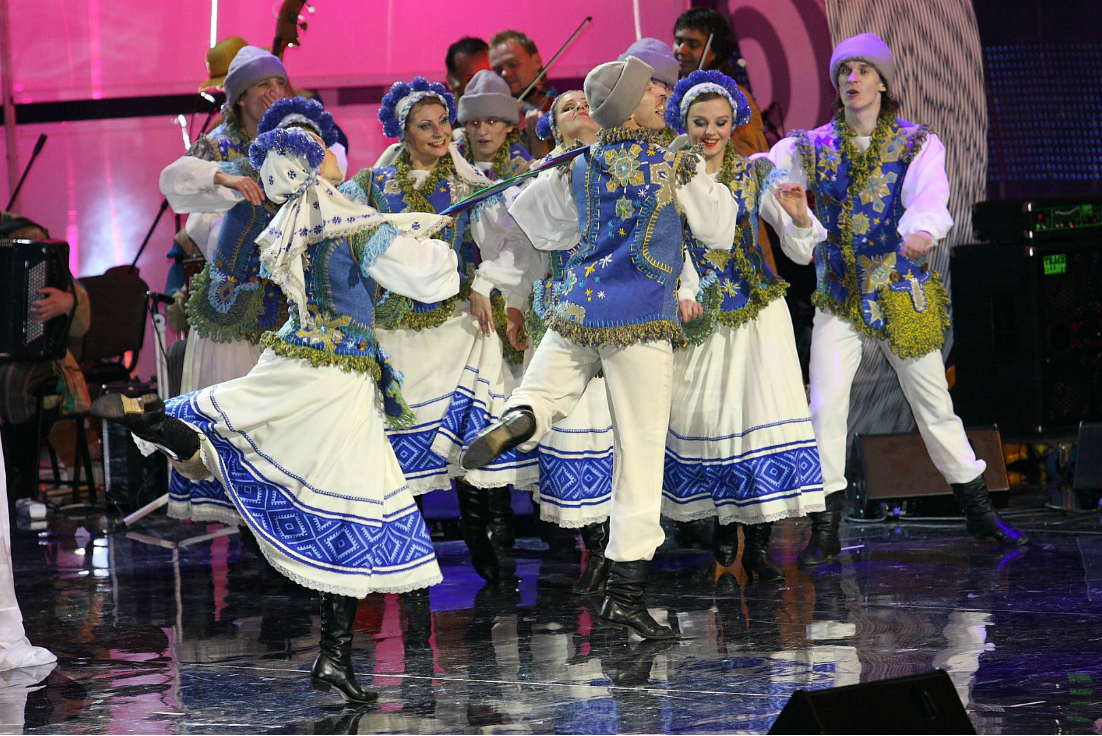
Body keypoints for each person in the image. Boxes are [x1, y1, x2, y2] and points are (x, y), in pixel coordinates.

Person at [93, 121, 460, 704]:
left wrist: (400, 226)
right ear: (313, 166)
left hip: (293, 354)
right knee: (355, 501)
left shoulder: (290, 220)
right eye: (324, 151)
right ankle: (333, 656)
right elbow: (429, 279)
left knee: (245, 422)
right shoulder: (351, 222)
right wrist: (436, 242)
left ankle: (166, 422)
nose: (337, 158)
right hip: (340, 374)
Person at [462, 57, 739, 639]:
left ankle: (521, 418)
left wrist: (563, 173)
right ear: (629, 109)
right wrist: (702, 179)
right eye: (651, 92)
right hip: (641, 316)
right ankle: (625, 593)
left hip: (580, 306)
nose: (661, 98)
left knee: (544, 390)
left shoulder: (580, 165)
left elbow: (542, 227)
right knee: (639, 454)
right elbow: (717, 229)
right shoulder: (675, 162)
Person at [768, 33, 1028, 564]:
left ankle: (979, 511)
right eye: (845, 71)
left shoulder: (916, 143)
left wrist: (923, 229)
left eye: (863, 70)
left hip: (898, 293)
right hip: (840, 295)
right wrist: (796, 216)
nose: (853, 79)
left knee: (933, 402)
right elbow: (771, 177)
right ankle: (825, 526)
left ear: (883, 83)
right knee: (825, 406)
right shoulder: (811, 145)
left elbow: (929, 194)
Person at [340, 77, 537, 585]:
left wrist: (485, 282)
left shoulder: (471, 184)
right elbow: (338, 229)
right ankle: (412, 551)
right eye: (424, 126)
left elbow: (507, 241)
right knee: (404, 440)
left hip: (458, 324)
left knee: (474, 432)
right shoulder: (371, 186)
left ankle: (484, 534)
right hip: (396, 330)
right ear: (402, 132)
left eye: (443, 122)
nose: (438, 133)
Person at [661, 70, 827, 583]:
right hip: (699, 314)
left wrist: (799, 216)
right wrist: (682, 291)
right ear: (684, 123)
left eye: (720, 122)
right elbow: (663, 245)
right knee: (708, 419)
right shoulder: (669, 174)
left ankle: (757, 544)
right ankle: (720, 523)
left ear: (734, 124)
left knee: (759, 417)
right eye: (700, 122)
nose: (710, 132)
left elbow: (798, 249)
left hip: (757, 313)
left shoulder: (757, 171)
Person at [158, 96, 347, 521]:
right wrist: (225, 176)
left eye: (314, 148)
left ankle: (284, 524)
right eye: (295, 144)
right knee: (242, 434)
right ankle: (250, 527)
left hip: (287, 333)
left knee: (286, 439)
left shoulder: (326, 196)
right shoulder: (252, 176)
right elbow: (174, 178)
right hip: (235, 331)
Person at [513, 90, 616, 594]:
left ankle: (619, 549)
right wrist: (514, 304)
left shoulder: (624, 163)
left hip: (620, 306)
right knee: (571, 424)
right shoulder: (543, 179)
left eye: (585, 103)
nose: (579, 109)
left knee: (617, 425)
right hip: (567, 312)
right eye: (566, 108)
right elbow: (542, 241)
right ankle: (593, 546)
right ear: (552, 127)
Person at [0, 214, 91, 505]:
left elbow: (80, 318)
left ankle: (20, 485)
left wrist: (68, 303)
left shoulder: (28, 236)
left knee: (12, 381)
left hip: (38, 357)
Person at [672, 8, 767, 158]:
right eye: (679, 42)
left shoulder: (736, 98)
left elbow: (751, 155)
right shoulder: (667, 90)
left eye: (693, 44)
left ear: (714, 52)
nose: (681, 50)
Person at [455, 69, 532, 181]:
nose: (482, 131)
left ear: (509, 126)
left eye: (491, 122)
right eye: (475, 123)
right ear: (465, 126)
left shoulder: (524, 167)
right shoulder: (447, 161)